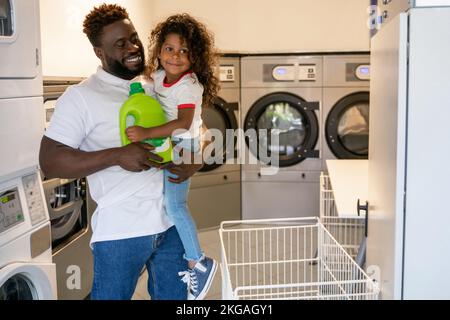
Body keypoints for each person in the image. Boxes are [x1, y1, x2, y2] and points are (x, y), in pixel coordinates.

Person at [39, 4, 202, 300]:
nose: (133, 48)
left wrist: (196, 160)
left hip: (171, 223)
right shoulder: (81, 97)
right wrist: (117, 155)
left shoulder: (156, 84)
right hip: (121, 232)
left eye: (134, 38)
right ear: (99, 53)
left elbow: (195, 129)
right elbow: (50, 161)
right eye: (120, 44)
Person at [125, 13, 220, 301]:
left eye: (184, 51)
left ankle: (198, 262)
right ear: (159, 51)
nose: (176, 57)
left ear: (195, 58)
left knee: (175, 206)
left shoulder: (188, 86)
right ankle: (192, 259)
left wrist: (144, 133)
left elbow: (182, 122)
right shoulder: (159, 77)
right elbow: (148, 85)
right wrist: (137, 86)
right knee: (170, 203)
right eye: (169, 48)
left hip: (186, 145)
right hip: (172, 143)